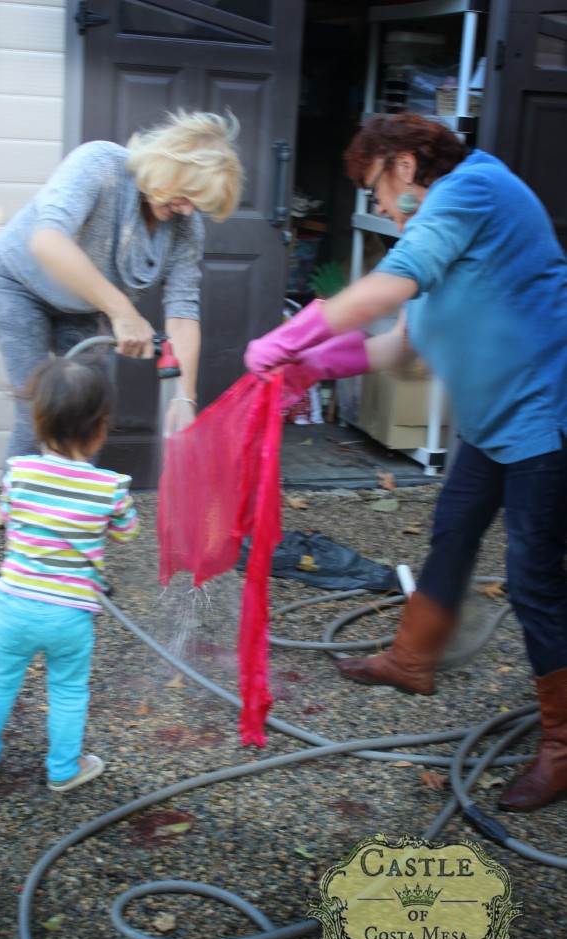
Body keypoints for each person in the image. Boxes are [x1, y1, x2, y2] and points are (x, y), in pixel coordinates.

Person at [245, 113, 567, 813]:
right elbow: (401, 350)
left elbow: (389, 287)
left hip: (546, 418)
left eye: (378, 190)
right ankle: (412, 662)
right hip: (491, 423)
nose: (383, 209)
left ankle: (561, 746)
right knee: (452, 533)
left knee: (535, 581)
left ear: (404, 164)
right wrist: (309, 367)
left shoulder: (472, 190)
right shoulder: (443, 231)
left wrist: (292, 332)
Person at [0, 110, 243, 459]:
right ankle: (21, 512)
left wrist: (184, 398)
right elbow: (47, 241)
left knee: (86, 418)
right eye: (186, 196)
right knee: (38, 415)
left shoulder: (185, 229)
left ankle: (77, 513)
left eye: (197, 205)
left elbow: (182, 315)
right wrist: (122, 311)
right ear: (168, 167)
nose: (187, 211)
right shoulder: (100, 164)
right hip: (18, 286)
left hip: (85, 306)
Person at [0, 357, 140, 793]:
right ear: (101, 428)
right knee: (67, 689)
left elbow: (8, 517)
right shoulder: (110, 487)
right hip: (69, 615)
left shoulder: (18, 474)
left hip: (12, 605)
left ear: (39, 424)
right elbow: (128, 534)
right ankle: (64, 769)